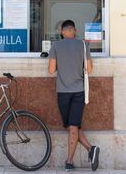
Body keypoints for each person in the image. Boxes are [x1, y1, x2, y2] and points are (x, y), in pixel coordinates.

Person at [48, 19, 100, 172]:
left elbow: (51, 70)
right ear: (75, 30)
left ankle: (69, 161)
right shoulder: (83, 45)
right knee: (74, 126)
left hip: (63, 92)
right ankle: (91, 149)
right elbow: (89, 69)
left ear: (62, 32)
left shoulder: (56, 45)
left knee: (71, 127)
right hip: (79, 92)